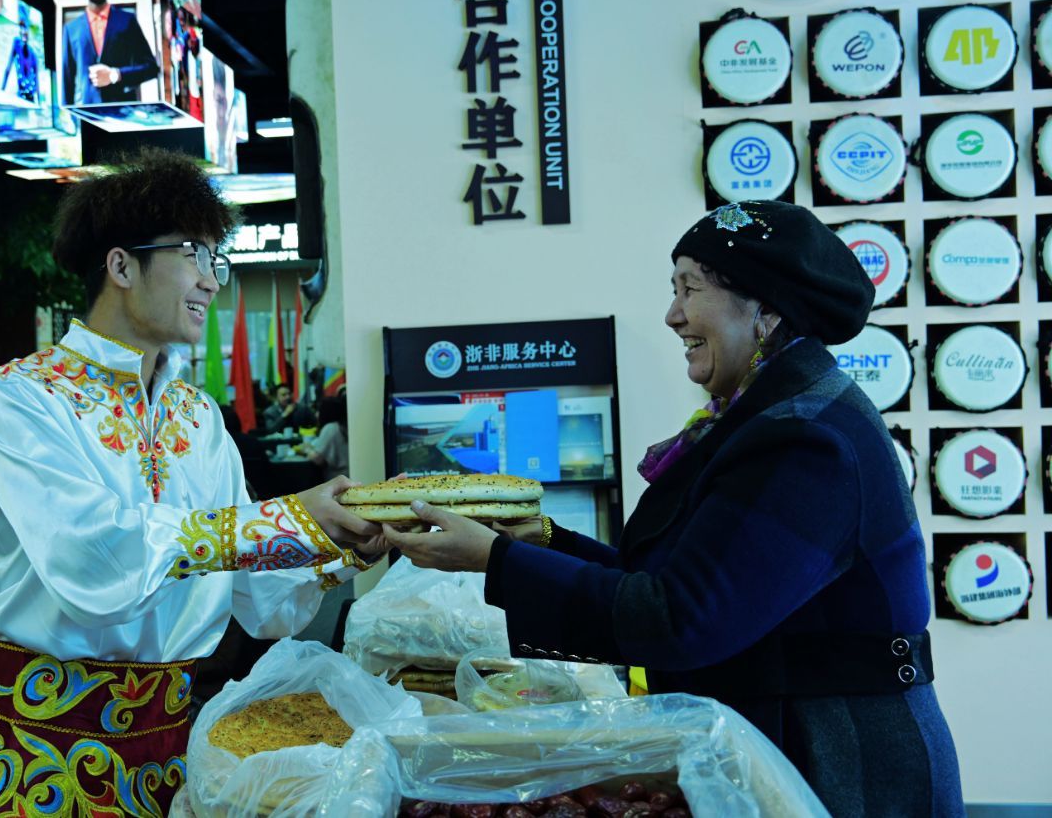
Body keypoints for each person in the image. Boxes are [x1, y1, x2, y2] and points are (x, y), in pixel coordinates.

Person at [383, 201, 965, 817]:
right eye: (674, 289)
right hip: (785, 737)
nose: (672, 314)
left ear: (766, 311)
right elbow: (676, 581)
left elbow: (683, 618)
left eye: (691, 289)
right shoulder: (762, 418)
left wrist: (494, 559)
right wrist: (540, 540)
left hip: (841, 760)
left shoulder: (804, 438)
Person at [0, 148, 383, 816]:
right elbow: (93, 555)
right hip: (38, 755)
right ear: (121, 266)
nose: (211, 280)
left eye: (216, 259)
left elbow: (257, 594)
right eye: (193, 254)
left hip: (172, 747)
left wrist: (345, 540)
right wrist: (287, 518)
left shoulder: (197, 415)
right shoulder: (21, 397)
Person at [61, 0, 159, 106]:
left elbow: (151, 68)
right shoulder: (71, 29)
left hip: (124, 110)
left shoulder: (127, 21)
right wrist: (70, 114)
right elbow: (67, 79)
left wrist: (116, 74)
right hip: (87, 113)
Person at [303, 396, 348, 481]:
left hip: (337, 480)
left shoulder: (330, 428)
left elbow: (318, 459)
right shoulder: (344, 426)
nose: (316, 414)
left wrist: (307, 450)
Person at [0, 5, 37, 101]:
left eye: (24, 27)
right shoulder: (17, 43)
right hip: (22, 95)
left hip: (30, 96)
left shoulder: (32, 52)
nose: (23, 31)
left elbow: (36, 78)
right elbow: (7, 69)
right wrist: (1, 91)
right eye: (21, 27)